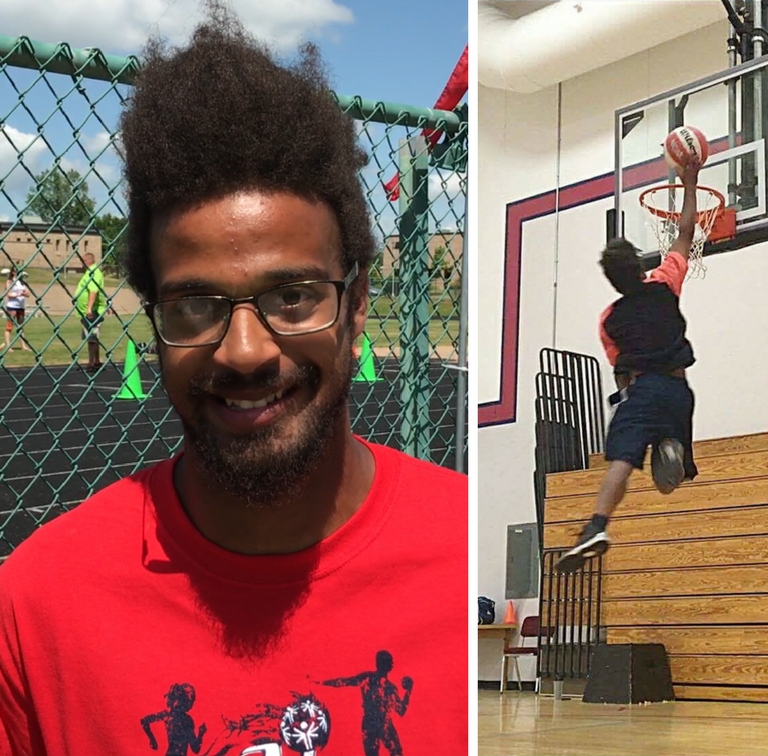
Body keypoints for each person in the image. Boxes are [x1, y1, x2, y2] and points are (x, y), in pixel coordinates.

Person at [0, 7, 467, 756]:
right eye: (194, 306)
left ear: (356, 308)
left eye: (292, 296)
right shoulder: (38, 605)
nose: (244, 351)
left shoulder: (463, 556)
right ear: (154, 317)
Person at [556, 162, 701, 573]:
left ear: (613, 282)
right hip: (680, 393)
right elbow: (686, 233)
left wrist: (628, 399)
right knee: (666, 444)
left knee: (620, 458)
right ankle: (675, 449)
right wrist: (689, 182)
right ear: (640, 268)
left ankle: (596, 526)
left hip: (645, 390)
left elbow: (622, 372)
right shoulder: (664, 283)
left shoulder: (609, 319)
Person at [73, 251, 108, 371]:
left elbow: (93, 291)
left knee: (92, 337)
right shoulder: (90, 272)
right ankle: (95, 361)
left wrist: (89, 308)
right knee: (92, 337)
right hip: (86, 311)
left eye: (83, 261)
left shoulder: (93, 273)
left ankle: (92, 363)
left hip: (92, 311)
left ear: (86, 261)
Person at [3, 267, 30, 352]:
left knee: (21, 327)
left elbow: (28, 293)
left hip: (21, 307)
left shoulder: (22, 282)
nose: (18, 272)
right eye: (16, 271)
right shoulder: (10, 281)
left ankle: (23, 346)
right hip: (12, 306)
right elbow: (9, 294)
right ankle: (8, 346)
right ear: (13, 272)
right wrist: (18, 294)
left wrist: (25, 293)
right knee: (9, 327)